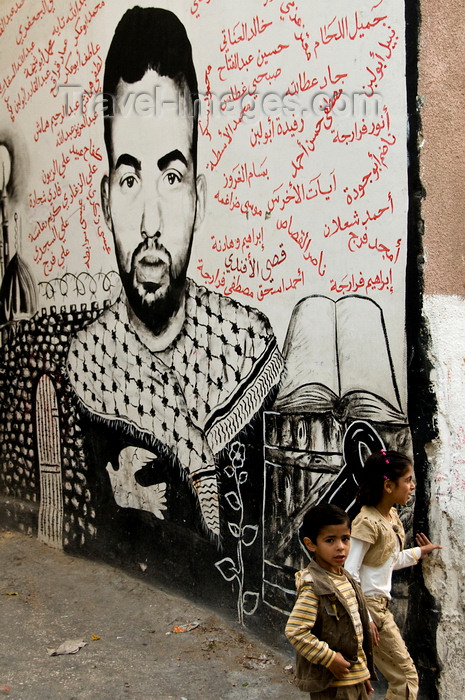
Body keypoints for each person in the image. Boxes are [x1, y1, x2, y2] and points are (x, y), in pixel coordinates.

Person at [66, 7, 283, 540]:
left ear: (198, 198)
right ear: (104, 200)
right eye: (130, 179)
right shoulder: (87, 364)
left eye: (170, 174)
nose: (150, 222)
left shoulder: (247, 347)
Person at [345, 450, 442, 700]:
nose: (412, 487)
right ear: (388, 485)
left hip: (378, 609)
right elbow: (349, 572)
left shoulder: (390, 517)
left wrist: (420, 552)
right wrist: (365, 618)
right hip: (370, 610)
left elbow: (388, 561)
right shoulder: (366, 521)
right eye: (408, 480)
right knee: (406, 677)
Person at [285, 503, 376, 699]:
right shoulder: (314, 585)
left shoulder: (345, 578)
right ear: (311, 544)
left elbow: (352, 634)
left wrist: (362, 673)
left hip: (354, 680)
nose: (340, 546)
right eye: (330, 540)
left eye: (345, 539)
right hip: (333, 687)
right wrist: (329, 658)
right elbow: (295, 631)